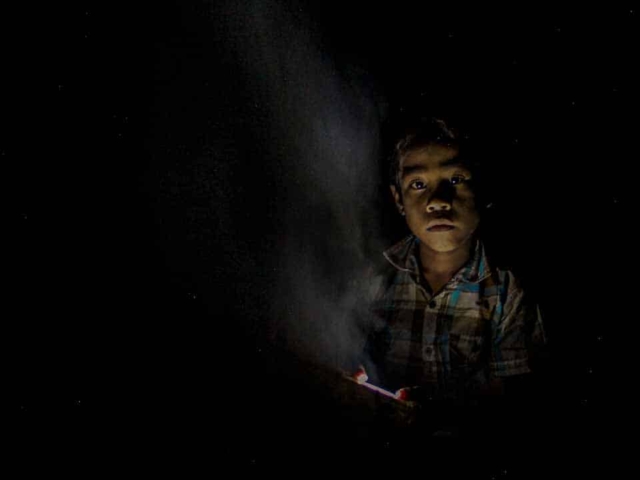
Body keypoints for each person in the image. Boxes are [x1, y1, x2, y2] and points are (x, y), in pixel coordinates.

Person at [349, 115, 548, 442]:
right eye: (417, 184)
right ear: (398, 199)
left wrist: (449, 411)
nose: (438, 201)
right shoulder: (372, 279)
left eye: (456, 179)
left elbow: (518, 402)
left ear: (482, 188)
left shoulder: (507, 292)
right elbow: (347, 360)